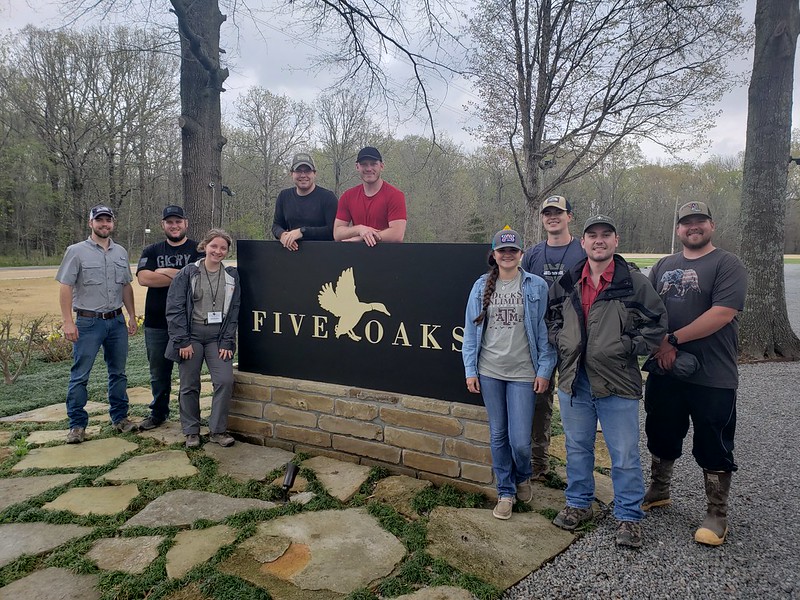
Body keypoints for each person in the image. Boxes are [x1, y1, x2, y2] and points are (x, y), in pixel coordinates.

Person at [546, 215, 667, 548]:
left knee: (625, 453)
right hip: (575, 380)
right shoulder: (569, 280)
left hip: (617, 383)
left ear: (615, 242)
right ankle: (579, 503)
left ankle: (629, 516)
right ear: (583, 243)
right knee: (577, 447)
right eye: (592, 236)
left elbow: (656, 324)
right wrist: (561, 341)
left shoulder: (633, 283)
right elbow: (551, 318)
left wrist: (627, 346)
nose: (599, 241)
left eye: (606, 235)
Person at [643, 201, 747, 547]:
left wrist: (672, 340)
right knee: (661, 429)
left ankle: (717, 512)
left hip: (712, 373)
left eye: (700, 221)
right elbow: (645, 308)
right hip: (666, 369)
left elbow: (722, 312)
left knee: (713, 439)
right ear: (678, 230)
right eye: (687, 223)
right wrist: (659, 345)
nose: (693, 227)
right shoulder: (663, 265)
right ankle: (659, 488)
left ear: (711, 226)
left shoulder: (726, 264)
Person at [462, 227, 556, 520]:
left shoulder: (536, 286)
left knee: (519, 440)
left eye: (513, 250)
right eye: (502, 251)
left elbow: (545, 333)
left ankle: (523, 474)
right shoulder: (480, 287)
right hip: (490, 371)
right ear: (493, 255)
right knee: (498, 435)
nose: (507, 255)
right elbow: (470, 332)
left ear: (521, 254)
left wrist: (544, 370)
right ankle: (505, 491)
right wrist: (470, 369)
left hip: (523, 373)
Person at [56, 204, 138, 443]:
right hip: (88, 322)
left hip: (116, 321)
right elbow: (65, 286)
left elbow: (126, 286)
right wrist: (67, 322)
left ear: (113, 223)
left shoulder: (120, 252)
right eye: (99, 220)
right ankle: (77, 425)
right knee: (80, 375)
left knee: (118, 373)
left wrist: (132, 316)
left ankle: (120, 418)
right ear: (90, 223)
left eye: (108, 220)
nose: (104, 224)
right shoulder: (76, 251)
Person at [521, 195, 586, 480]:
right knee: (539, 401)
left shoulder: (581, 251)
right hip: (539, 338)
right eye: (547, 213)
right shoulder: (534, 254)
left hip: (576, 336)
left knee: (576, 399)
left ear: (569, 216)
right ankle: (538, 462)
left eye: (558, 212)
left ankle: (579, 468)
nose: (552, 217)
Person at [165, 229, 241, 449]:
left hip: (217, 337)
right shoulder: (188, 273)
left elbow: (235, 309)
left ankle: (218, 430)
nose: (218, 251)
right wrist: (183, 341)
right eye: (214, 246)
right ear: (205, 246)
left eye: (223, 248)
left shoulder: (232, 276)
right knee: (189, 384)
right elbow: (175, 309)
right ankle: (191, 431)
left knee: (225, 380)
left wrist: (228, 340)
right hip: (192, 336)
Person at [136, 205, 203, 430]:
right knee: (158, 373)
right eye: (169, 222)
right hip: (157, 322)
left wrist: (162, 271)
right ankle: (158, 413)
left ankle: (191, 418)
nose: (174, 226)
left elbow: (198, 280)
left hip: (190, 322)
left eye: (178, 221)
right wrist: (181, 274)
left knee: (189, 375)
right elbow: (144, 279)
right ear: (162, 225)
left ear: (186, 223)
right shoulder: (151, 250)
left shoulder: (198, 250)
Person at [333, 146, 407, 245]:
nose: (368, 168)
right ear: (357, 167)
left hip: (388, 256)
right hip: (356, 257)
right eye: (364, 164)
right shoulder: (347, 196)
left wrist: (363, 238)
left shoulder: (395, 195)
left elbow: (397, 235)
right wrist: (360, 229)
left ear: (381, 166)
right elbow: (337, 233)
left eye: (373, 164)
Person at [272, 152, 338, 250]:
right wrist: (282, 235)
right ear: (291, 174)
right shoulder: (284, 196)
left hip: (323, 255)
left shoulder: (328, 197)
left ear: (314, 174)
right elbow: (276, 225)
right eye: (298, 171)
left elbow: (332, 231)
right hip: (292, 254)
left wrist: (302, 232)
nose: (303, 175)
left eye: (307, 171)